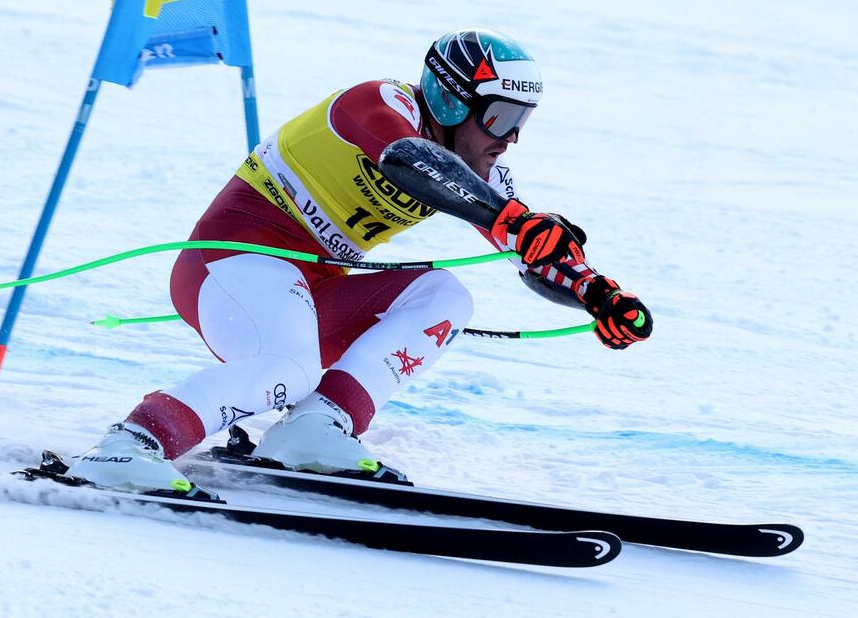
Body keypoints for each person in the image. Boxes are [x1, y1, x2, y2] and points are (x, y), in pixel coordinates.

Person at [68, 28, 653, 492]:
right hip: (230, 265)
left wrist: (595, 292)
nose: (510, 138)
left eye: (521, 123)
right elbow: (406, 157)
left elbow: (529, 249)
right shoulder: (379, 102)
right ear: (451, 102)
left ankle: (314, 428)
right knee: (288, 367)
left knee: (446, 294)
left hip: (309, 289)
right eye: (499, 118)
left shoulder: (480, 176)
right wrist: (509, 218)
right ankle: (129, 444)